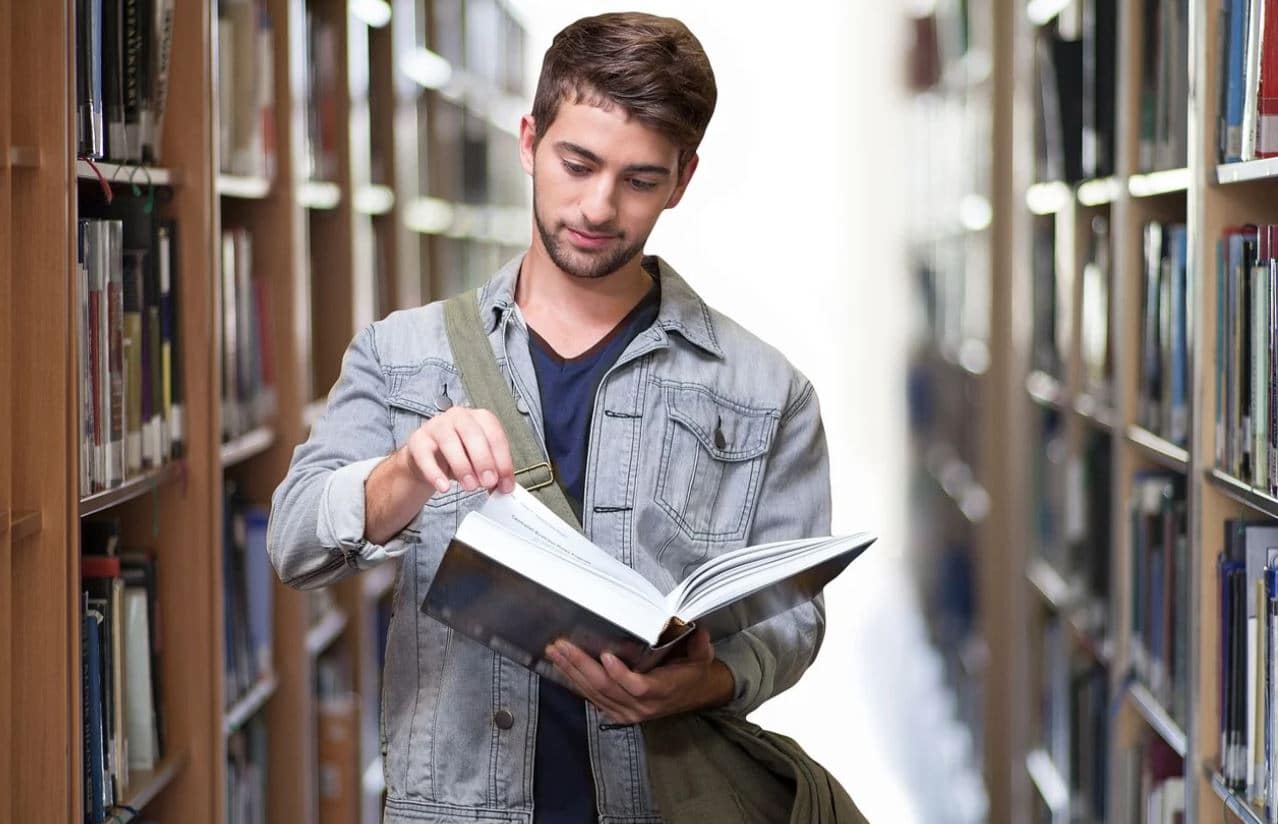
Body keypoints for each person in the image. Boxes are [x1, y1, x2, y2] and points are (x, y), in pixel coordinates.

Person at [268, 12, 831, 823]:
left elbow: (795, 618)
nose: (599, 206)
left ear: (683, 179)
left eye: (640, 180)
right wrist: (404, 472)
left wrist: (705, 681)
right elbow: (293, 542)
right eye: (578, 163)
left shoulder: (768, 391)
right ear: (529, 140)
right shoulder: (404, 356)